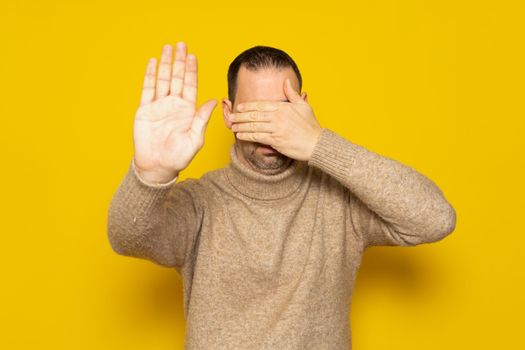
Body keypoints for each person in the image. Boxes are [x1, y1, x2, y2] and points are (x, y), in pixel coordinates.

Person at [107, 41, 456, 349]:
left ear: (303, 107)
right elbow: (127, 237)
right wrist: (151, 173)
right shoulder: (200, 203)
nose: (269, 128)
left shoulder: (340, 202)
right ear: (228, 114)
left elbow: (434, 219)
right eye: (254, 112)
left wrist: (320, 143)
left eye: (282, 110)